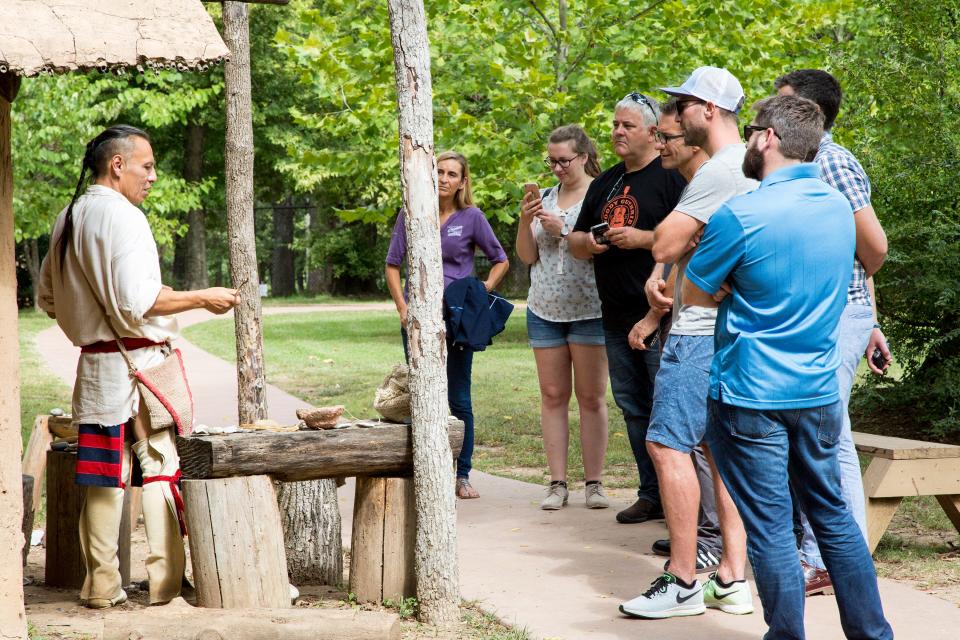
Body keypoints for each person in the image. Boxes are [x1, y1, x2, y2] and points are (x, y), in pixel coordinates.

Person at [687, 95, 893, 639]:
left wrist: (735, 289)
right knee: (834, 519)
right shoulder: (835, 208)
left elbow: (693, 290)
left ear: (767, 138)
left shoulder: (741, 213)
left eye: (752, 129)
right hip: (819, 392)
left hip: (750, 396)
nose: (749, 138)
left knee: (772, 529)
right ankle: (874, 634)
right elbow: (863, 261)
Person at [37, 125, 239, 609]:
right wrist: (201, 297)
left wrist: (87, 318)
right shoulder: (124, 218)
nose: (152, 176)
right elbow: (138, 301)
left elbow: (46, 297)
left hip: (97, 368)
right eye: (146, 166)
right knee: (160, 467)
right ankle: (166, 586)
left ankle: (101, 587)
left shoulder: (68, 216)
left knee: (103, 474)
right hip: (138, 365)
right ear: (118, 165)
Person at [774, 69, 890, 596]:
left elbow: (873, 249)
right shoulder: (791, 163)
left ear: (810, 112)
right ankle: (820, 554)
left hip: (836, 313)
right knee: (816, 431)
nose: (769, 120)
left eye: (782, 106)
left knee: (829, 433)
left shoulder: (832, 160)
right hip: (820, 315)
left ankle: (835, 561)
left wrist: (860, 313)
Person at [569, 93, 686, 524]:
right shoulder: (607, 182)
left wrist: (640, 239)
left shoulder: (672, 176)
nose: (617, 132)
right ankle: (650, 493)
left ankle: (681, 501)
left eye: (627, 126)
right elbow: (576, 243)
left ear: (654, 132)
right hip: (615, 316)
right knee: (634, 407)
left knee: (665, 407)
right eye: (616, 124)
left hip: (661, 314)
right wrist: (594, 241)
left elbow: (690, 241)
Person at [385, 151, 509, 500]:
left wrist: (481, 290)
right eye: (438, 171)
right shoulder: (411, 214)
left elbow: (501, 260)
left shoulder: (472, 217)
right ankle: (423, 468)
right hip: (418, 318)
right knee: (421, 394)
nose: (444, 178)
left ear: (462, 182)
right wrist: (403, 308)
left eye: (452, 174)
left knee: (458, 395)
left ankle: (463, 473)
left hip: (457, 319)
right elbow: (393, 265)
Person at [516, 125, 609, 510]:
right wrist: (527, 221)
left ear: (584, 157)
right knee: (553, 396)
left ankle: (594, 484)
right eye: (550, 161)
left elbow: (603, 246)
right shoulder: (548, 198)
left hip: (589, 309)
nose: (556, 168)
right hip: (544, 310)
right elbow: (526, 256)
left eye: (564, 161)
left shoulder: (602, 195)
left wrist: (565, 227)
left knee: (591, 398)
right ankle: (557, 483)